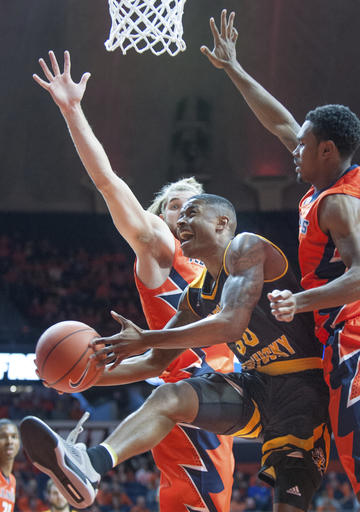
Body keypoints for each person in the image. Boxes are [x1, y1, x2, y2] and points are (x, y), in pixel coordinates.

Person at [201, 10, 360, 511]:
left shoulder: (338, 203)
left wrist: (299, 299)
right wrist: (234, 68)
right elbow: (279, 120)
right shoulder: (329, 182)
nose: (293, 149)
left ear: (327, 149)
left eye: (303, 145)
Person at [20, 193, 330, 512]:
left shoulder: (246, 247)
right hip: (258, 388)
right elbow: (155, 360)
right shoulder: (196, 292)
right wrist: (79, 377)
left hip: (304, 392)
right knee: (169, 397)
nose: (180, 221)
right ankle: (91, 464)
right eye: (179, 216)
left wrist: (146, 338)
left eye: (191, 213)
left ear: (222, 223)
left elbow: (231, 324)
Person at [31, 50, 235, 512]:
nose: (184, 213)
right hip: (190, 396)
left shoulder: (229, 272)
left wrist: (89, 376)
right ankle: (91, 462)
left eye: (194, 206)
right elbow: (108, 182)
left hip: (228, 394)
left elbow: (148, 363)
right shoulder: (160, 251)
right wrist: (73, 110)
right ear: (158, 220)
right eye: (173, 207)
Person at [0, 419, 20, 512]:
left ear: (19, 443)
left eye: (14, 437)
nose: (9, 441)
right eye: (3, 437)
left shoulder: (12, 480)